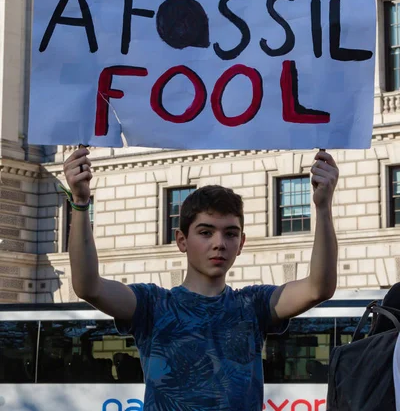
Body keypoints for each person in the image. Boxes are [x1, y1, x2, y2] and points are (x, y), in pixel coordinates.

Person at [64, 148, 338, 410]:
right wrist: (79, 204)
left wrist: (323, 208)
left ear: (241, 243)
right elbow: (89, 286)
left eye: (230, 234)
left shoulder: (254, 305)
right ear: (181, 240)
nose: (219, 243)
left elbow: (318, 287)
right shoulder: (153, 305)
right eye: (206, 232)